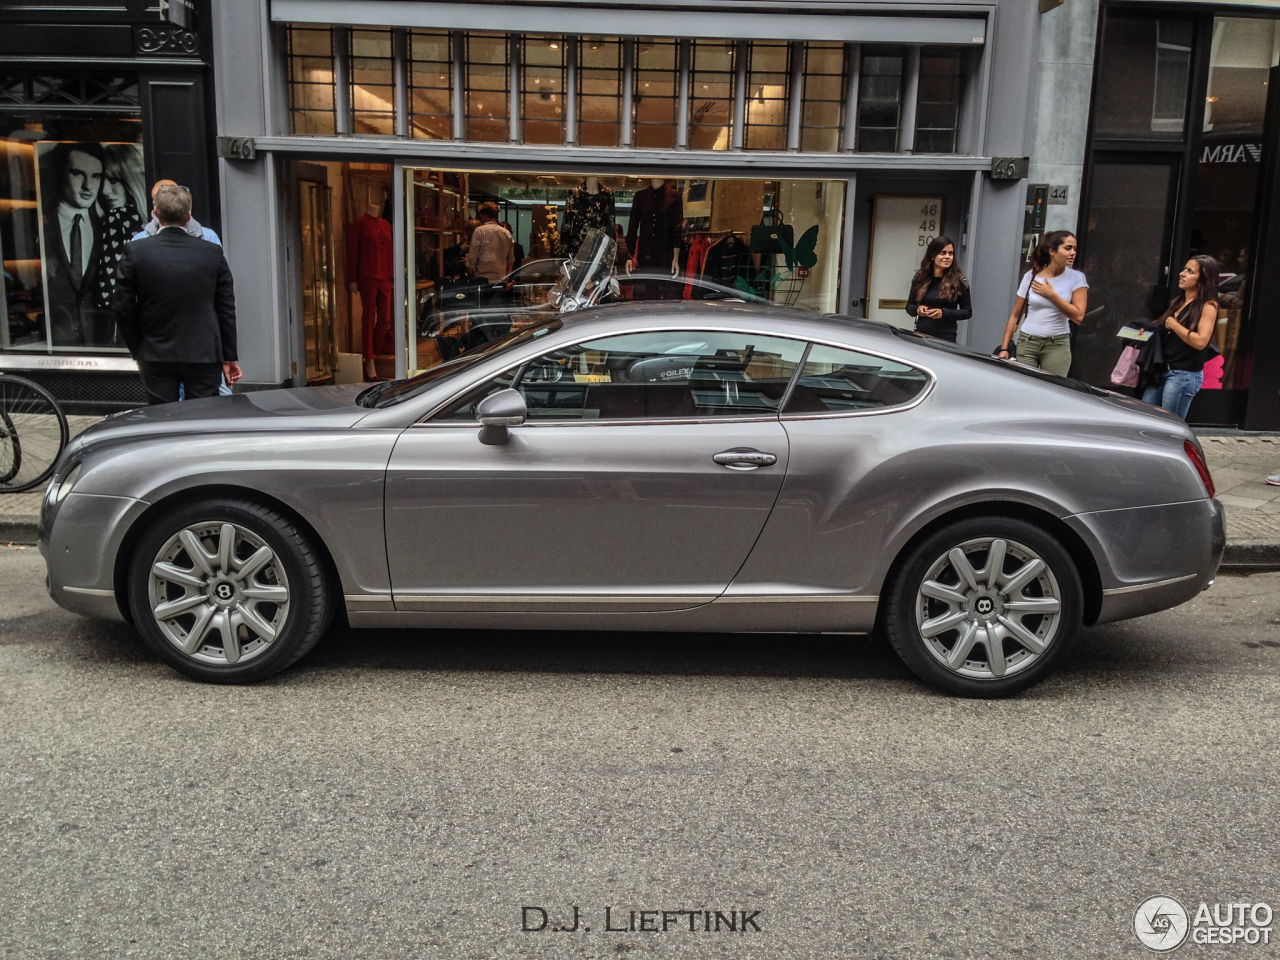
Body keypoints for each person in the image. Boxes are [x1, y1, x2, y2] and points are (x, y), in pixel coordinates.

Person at [113, 184, 241, 405]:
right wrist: (229, 356)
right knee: (202, 419)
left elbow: (122, 307)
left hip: (155, 351)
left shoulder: (135, 251)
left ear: (155, 213)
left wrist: (138, 348)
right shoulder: (211, 252)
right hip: (203, 353)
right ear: (189, 215)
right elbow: (226, 307)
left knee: (163, 421)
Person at [42, 142, 110, 347]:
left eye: (96, 176)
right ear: (60, 174)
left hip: (101, 348)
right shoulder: (38, 224)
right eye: (78, 174)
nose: (88, 186)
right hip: (50, 345)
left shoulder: (106, 228)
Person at [997, 230, 1088, 376]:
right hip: (1028, 341)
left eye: (1075, 249)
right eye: (1068, 248)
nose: (1073, 253)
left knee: (1054, 390)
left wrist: (1052, 295)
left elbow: (1078, 316)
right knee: (1025, 388)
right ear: (1052, 251)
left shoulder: (1076, 278)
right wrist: (1004, 348)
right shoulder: (1031, 277)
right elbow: (1015, 315)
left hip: (1057, 344)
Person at [1140, 255, 1220, 420]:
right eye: (1184, 269)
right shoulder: (1179, 301)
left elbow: (1201, 341)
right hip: (1163, 370)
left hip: (1183, 374)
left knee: (1169, 425)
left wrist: (1174, 324)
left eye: (1190, 271)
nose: (1182, 274)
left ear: (1202, 278)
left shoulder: (1208, 306)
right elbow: (1164, 330)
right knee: (1145, 416)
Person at [905, 235, 971, 342]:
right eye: (943, 253)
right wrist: (918, 309)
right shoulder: (920, 278)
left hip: (946, 337)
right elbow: (909, 306)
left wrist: (943, 313)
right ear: (932, 256)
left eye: (950, 253)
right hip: (921, 335)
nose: (947, 257)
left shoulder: (959, 280)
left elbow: (967, 312)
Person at [133, 178, 222, 245]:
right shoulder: (139, 241)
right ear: (155, 208)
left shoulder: (208, 237)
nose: (168, 203)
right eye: (161, 200)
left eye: (172, 198)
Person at [466, 202, 513, 282]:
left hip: (482, 278)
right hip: (500, 279)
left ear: (485, 215)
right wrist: (507, 279)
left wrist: (468, 276)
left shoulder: (479, 231)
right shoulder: (506, 233)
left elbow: (472, 258)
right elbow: (510, 259)